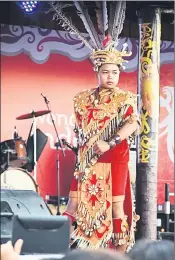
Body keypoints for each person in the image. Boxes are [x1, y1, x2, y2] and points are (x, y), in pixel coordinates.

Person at [62, 36, 140, 252]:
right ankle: (56, 250)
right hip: (88, 159)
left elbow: (133, 124)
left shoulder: (125, 98)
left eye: (115, 72)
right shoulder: (82, 99)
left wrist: (110, 141)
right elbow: (81, 129)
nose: (111, 76)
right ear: (97, 72)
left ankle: (120, 255)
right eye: (106, 71)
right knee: (73, 204)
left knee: (116, 208)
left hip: (115, 157)